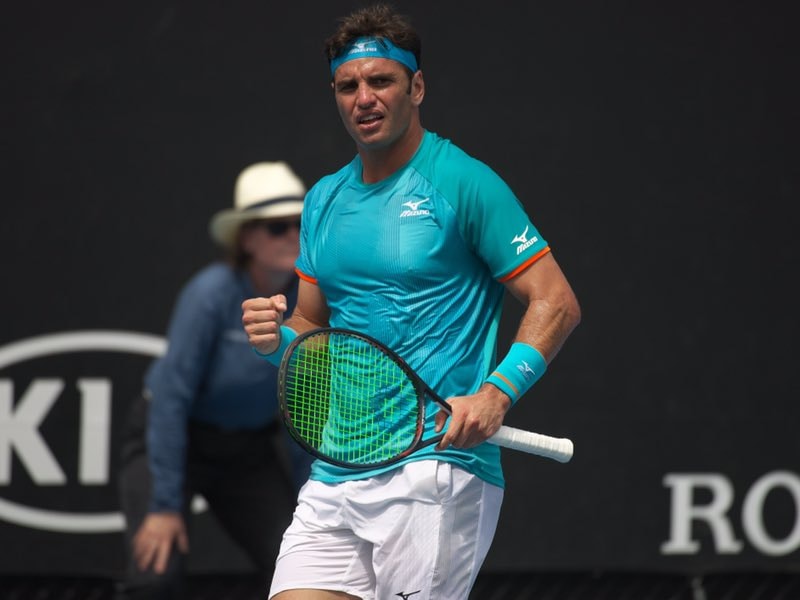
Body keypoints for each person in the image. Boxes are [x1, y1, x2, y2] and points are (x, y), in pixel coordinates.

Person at [241, 4, 581, 599]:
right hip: (336, 474)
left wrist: (496, 393)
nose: (363, 98)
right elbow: (311, 328)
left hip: (435, 471)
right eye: (348, 86)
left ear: (416, 87)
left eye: (381, 80)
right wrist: (277, 339)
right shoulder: (322, 200)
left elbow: (556, 301)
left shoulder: (464, 183)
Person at [116, 161, 313, 600]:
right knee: (155, 575)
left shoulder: (311, 302)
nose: (292, 236)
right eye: (277, 226)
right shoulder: (210, 294)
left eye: (301, 224)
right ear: (246, 238)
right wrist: (165, 504)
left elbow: (304, 408)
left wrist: (310, 499)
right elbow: (171, 401)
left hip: (247, 451)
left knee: (299, 563)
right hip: (173, 441)